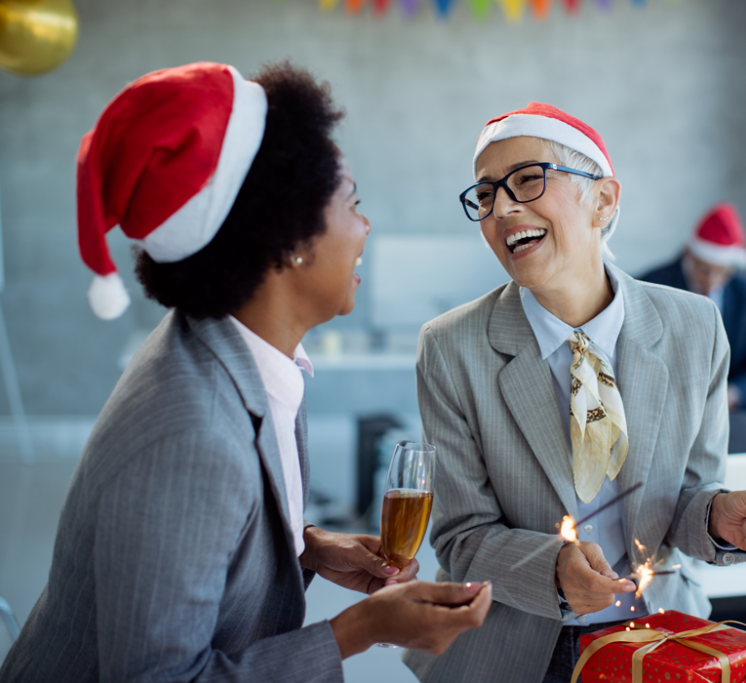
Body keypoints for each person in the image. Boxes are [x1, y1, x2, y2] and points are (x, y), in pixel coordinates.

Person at [0, 62, 490, 683]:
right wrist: (359, 630)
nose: (365, 228)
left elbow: (203, 538)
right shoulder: (190, 433)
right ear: (289, 240)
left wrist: (303, 544)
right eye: (352, 204)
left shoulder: (243, 355)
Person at [402, 102, 746, 683]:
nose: (504, 207)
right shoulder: (450, 347)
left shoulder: (695, 327)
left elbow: (690, 496)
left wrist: (718, 517)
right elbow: (461, 539)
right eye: (486, 195)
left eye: (527, 179)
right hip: (512, 650)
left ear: (604, 200)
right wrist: (552, 570)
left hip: (664, 636)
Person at [638, 203, 746, 411]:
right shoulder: (651, 285)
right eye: (705, 270)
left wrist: (732, 393)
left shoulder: (744, 293)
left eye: (723, 272)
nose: (713, 280)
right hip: (665, 407)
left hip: (726, 411)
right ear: (689, 254)